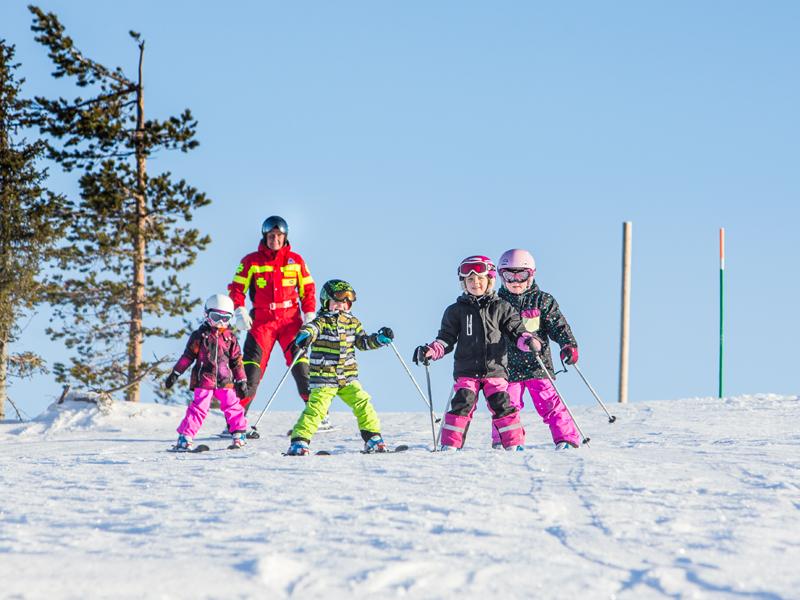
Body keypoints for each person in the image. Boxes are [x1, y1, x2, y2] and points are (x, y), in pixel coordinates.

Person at [413, 255, 541, 451]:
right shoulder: (455, 311)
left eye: (480, 279)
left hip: (495, 370)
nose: (475, 283)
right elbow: (446, 339)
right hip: (466, 370)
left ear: (489, 280)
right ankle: (450, 445)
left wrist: (528, 341)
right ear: (464, 283)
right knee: (462, 403)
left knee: (502, 404)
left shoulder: (502, 307)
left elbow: (516, 330)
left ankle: (514, 444)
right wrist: (430, 350)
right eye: (470, 280)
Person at [227, 215, 322, 433]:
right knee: (250, 370)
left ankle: (318, 415)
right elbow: (237, 288)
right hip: (262, 322)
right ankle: (236, 419)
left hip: (291, 322)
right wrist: (239, 310)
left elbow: (308, 289)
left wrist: (309, 314)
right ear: (265, 237)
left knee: (302, 367)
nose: (275, 240)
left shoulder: (295, 261)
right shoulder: (251, 261)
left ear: (285, 237)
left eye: (279, 236)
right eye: (271, 236)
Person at [285, 279, 394, 456]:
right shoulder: (321, 321)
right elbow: (311, 329)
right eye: (337, 301)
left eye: (346, 302)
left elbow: (363, 342)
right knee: (317, 410)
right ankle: (299, 442)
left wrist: (379, 340)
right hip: (324, 377)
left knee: (363, 402)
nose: (341, 306)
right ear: (326, 301)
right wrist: (304, 336)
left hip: (347, 377)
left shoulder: (353, 322)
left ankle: (373, 438)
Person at [496, 248, 581, 450]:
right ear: (500, 276)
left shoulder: (542, 301)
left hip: (537, 364)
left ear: (531, 275)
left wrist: (567, 344)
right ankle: (507, 441)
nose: (515, 281)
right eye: (509, 275)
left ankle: (566, 438)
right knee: (506, 405)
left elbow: (558, 325)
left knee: (549, 402)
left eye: (521, 275)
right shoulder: (496, 304)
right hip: (506, 366)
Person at [165, 294, 249, 451]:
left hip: (225, 380)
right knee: (199, 408)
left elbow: (237, 361)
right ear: (206, 314)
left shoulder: (230, 338)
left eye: (225, 318)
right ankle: (185, 438)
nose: (220, 323)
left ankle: (239, 434)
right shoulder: (200, 336)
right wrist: (175, 373)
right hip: (204, 380)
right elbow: (188, 356)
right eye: (216, 317)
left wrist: (242, 380)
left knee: (233, 406)